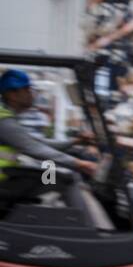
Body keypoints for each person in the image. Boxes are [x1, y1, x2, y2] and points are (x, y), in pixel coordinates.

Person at [0, 68, 98, 205]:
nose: (32, 94)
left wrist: (76, 141)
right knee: (58, 180)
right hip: (3, 181)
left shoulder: (8, 118)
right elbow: (35, 149)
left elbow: (41, 143)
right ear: (12, 95)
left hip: (7, 175)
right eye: (27, 90)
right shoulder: (4, 121)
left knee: (52, 176)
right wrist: (79, 164)